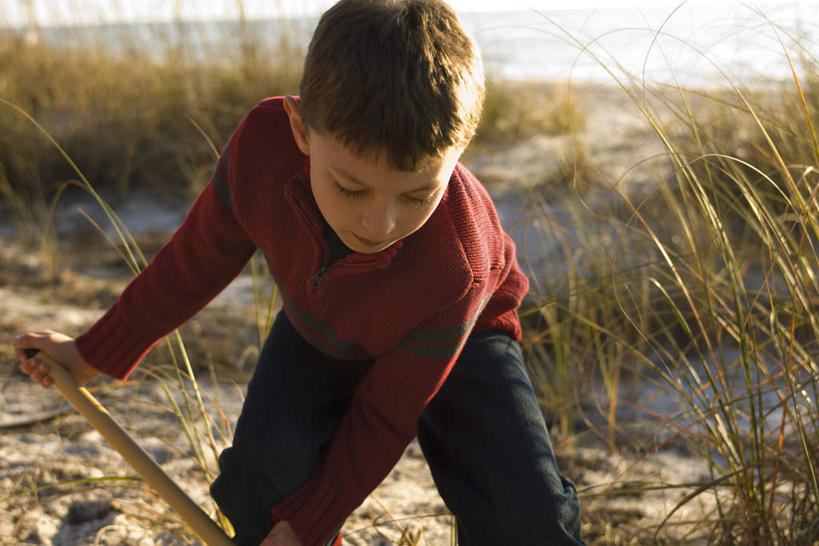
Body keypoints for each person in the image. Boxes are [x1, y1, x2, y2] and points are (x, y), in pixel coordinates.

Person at [12, 1, 584, 544]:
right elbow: (196, 260)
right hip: (324, 323)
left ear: (459, 153)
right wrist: (91, 353)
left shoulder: (453, 260)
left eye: (417, 194)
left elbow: (386, 413)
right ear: (300, 130)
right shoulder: (262, 148)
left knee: (526, 517)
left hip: (461, 335)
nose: (379, 221)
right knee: (260, 488)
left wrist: (311, 523)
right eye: (350, 186)